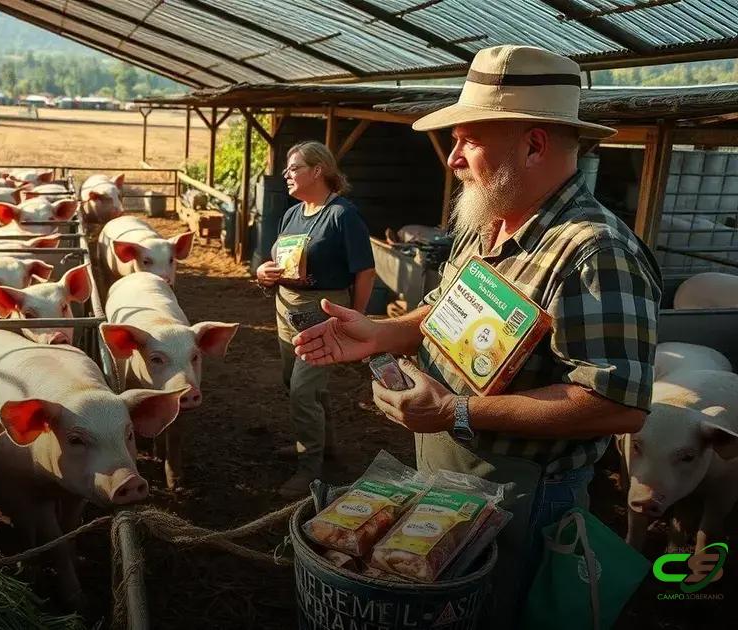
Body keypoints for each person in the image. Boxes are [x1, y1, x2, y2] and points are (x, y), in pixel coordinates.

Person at [292, 45, 661, 623]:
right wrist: (383, 332)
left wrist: (458, 411)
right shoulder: (487, 223)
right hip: (447, 467)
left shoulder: (595, 250)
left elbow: (615, 404)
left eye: (469, 139)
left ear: (534, 143)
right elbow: (443, 311)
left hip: (525, 497)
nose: (453, 159)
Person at [255, 141, 376, 498]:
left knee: (304, 390)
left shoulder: (342, 215)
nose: (286, 175)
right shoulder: (291, 214)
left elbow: (365, 272)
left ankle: (309, 468)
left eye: (293, 168)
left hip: (323, 311)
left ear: (318, 170)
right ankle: (323, 445)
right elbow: (277, 260)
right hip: (286, 308)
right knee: (294, 382)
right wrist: (264, 273)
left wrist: (356, 317)